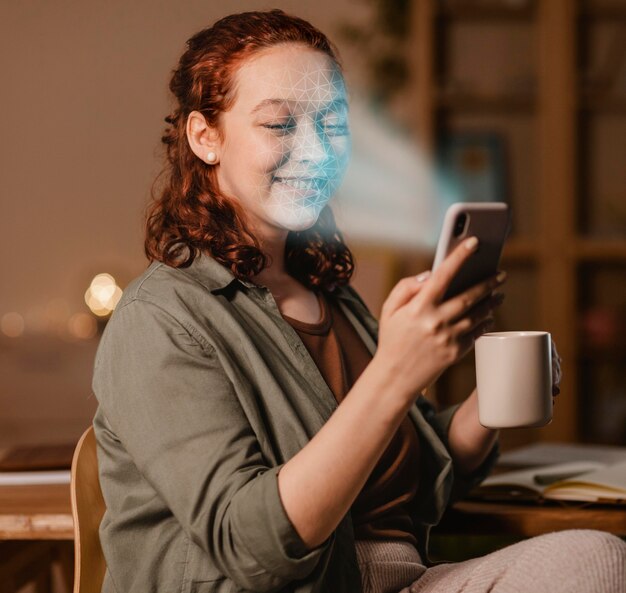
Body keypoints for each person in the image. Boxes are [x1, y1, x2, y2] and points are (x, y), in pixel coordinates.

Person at [91, 9, 626, 593]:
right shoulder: (161, 319)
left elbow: (405, 477)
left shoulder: (330, 296)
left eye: (332, 123)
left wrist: (488, 405)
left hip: (398, 579)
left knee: (594, 561)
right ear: (205, 137)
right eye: (279, 124)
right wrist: (394, 373)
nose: (316, 152)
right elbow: (253, 549)